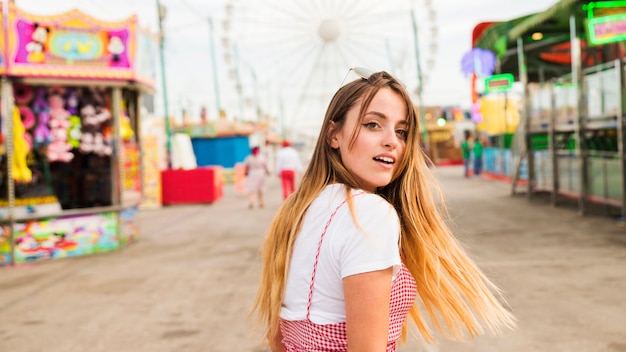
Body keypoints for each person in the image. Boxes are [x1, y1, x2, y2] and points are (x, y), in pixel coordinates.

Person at [251, 68, 515, 351]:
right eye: (373, 124)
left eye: (401, 131)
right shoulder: (367, 213)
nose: (392, 141)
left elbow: (279, 338)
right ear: (333, 135)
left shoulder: (299, 210)